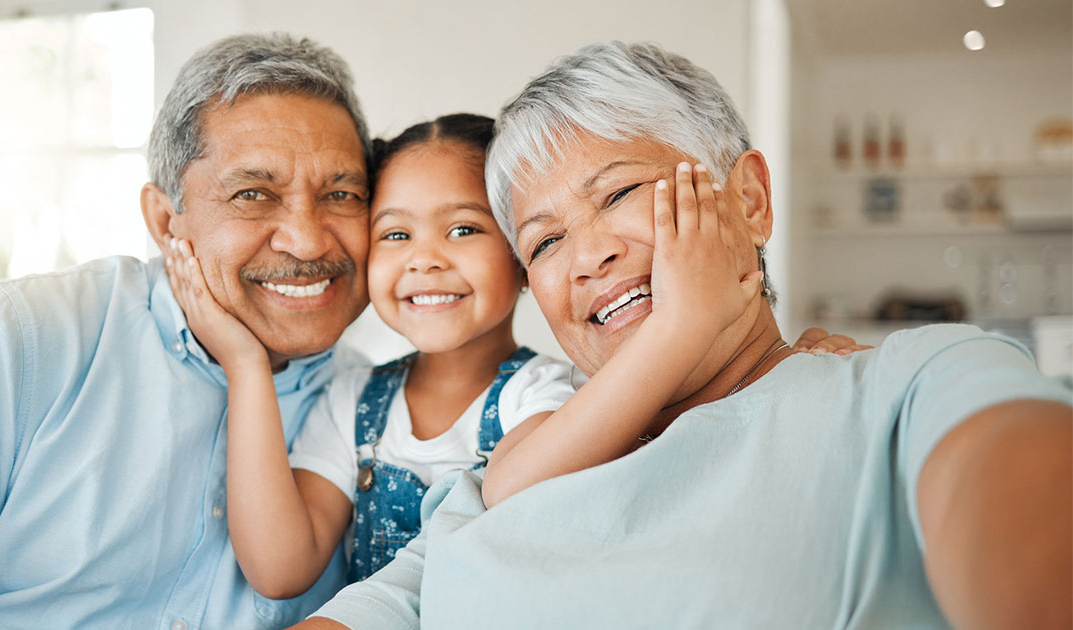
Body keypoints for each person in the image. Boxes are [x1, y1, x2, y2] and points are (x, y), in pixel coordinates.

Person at [297, 41, 1072, 630]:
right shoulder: (499, 474)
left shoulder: (907, 385)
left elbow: (1013, 487)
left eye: (622, 193)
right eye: (543, 243)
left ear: (751, 201)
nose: (589, 256)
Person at [163, 113, 854, 599]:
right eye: (395, 234)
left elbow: (522, 482)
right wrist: (246, 367)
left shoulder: (552, 395)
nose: (426, 259)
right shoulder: (354, 405)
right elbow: (281, 568)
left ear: (525, 255)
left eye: (463, 228)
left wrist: (746, 341)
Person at [0, 33, 373, 629]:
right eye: (253, 195)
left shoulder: (369, 405)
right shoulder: (17, 339)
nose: (310, 239)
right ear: (165, 221)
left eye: (341, 195)